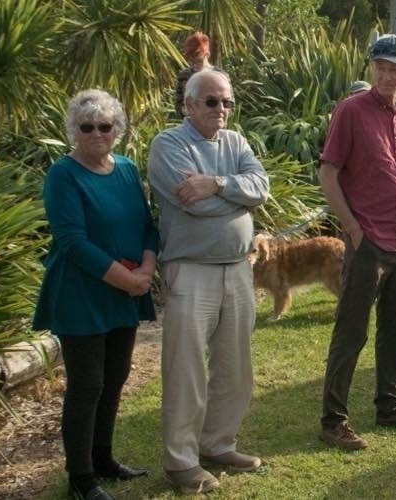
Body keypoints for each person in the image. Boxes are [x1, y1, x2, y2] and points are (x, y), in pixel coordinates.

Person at [147, 69, 270, 494]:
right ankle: (181, 463)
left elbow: (262, 187)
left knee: (235, 367)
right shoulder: (168, 144)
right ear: (189, 104)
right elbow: (191, 205)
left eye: (227, 102)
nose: (222, 110)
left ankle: (218, 443)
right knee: (185, 371)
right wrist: (240, 206)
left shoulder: (236, 142)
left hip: (237, 270)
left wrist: (217, 184)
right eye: (211, 101)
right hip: (190, 269)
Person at [33, 89, 155, 500]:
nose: (97, 134)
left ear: (117, 130)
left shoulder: (125, 169)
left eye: (105, 126)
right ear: (74, 130)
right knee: (87, 384)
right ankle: (81, 478)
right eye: (87, 127)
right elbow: (72, 241)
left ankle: (103, 460)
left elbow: (146, 226)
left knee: (115, 378)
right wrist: (128, 279)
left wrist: (148, 269)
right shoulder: (63, 175)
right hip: (82, 293)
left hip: (123, 291)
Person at [316, 34, 396, 452]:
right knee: (352, 330)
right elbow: (328, 173)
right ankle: (333, 420)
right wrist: (352, 229)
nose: (386, 75)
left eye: (394, 67)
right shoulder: (350, 111)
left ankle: (389, 404)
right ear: (372, 69)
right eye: (379, 67)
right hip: (368, 238)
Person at [173, 32, 213, 117]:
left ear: (207, 54)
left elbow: (230, 103)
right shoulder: (184, 76)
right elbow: (178, 103)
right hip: (190, 123)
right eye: (192, 57)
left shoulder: (219, 75)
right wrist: (185, 111)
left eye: (198, 56)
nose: (194, 60)